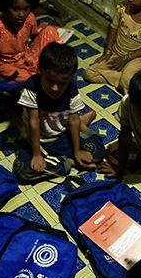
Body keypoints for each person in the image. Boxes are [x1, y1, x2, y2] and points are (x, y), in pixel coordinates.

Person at [12, 43, 101, 181]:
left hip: (62, 135)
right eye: (49, 80)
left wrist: (77, 151)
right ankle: (69, 162)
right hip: (38, 141)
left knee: (97, 152)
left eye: (62, 83)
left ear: (70, 78)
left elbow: (72, 119)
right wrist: (36, 154)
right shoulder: (32, 87)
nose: (54, 88)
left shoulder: (71, 89)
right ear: (40, 70)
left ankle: (81, 126)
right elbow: (33, 122)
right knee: (22, 170)